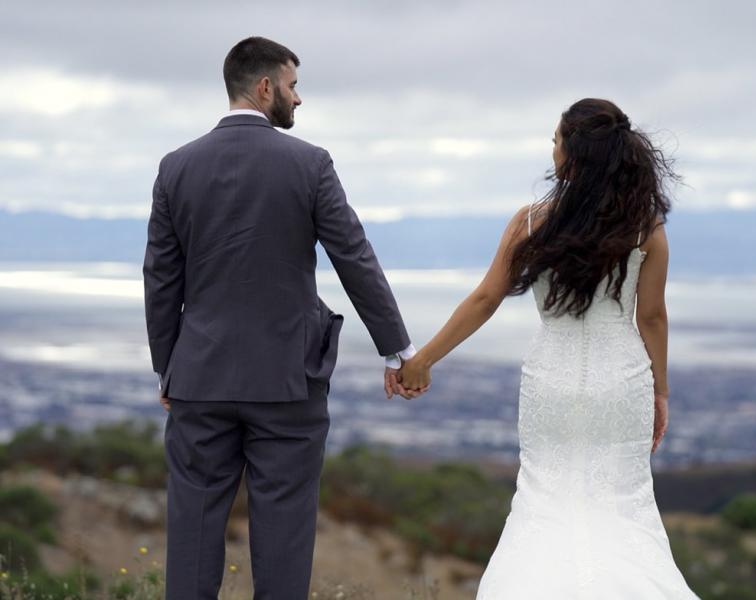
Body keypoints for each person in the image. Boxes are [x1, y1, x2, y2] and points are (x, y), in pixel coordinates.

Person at [143, 36, 422, 600]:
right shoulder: (310, 164)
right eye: (293, 86)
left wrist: (168, 368)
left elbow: (160, 279)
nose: (298, 98)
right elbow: (354, 257)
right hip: (287, 382)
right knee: (283, 540)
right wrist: (398, 350)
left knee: (192, 534)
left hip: (199, 379)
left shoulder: (176, 168)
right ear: (265, 86)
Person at [399, 98, 699, 598]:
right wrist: (660, 391)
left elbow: (486, 298)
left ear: (574, 153)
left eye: (556, 141)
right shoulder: (645, 228)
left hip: (551, 380)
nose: (552, 150)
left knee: (543, 501)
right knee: (622, 506)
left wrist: (423, 360)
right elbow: (651, 317)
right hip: (622, 381)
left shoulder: (531, 222)